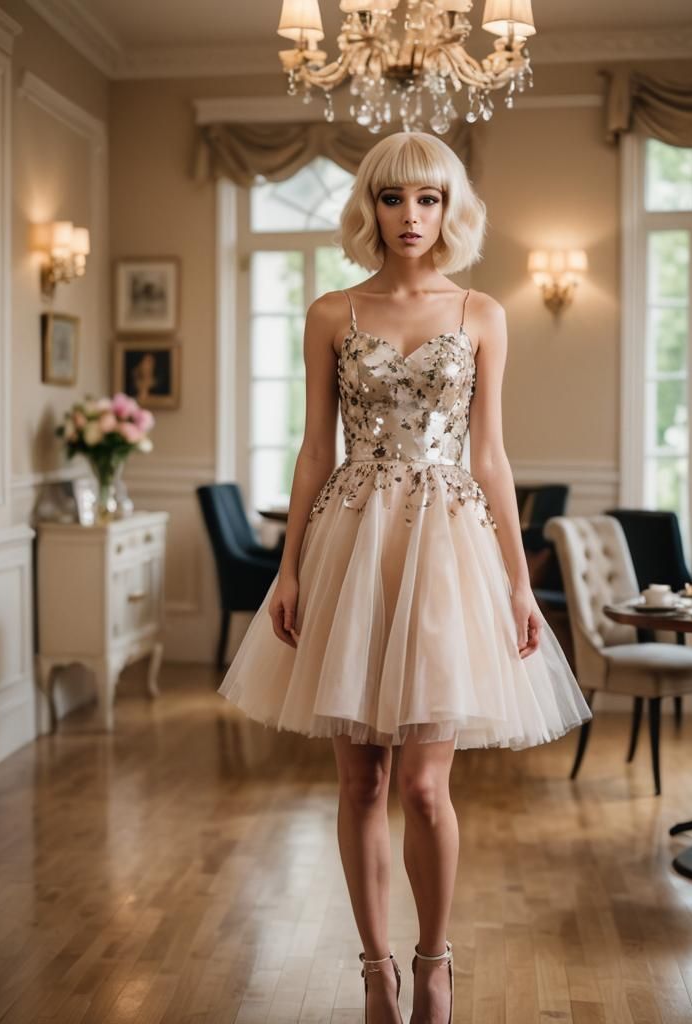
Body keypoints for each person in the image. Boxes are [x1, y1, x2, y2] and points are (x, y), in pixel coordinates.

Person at [217, 131, 591, 1024]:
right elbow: (314, 450)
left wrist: (513, 580)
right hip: (350, 535)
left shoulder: (482, 313)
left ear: (450, 208)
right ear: (371, 208)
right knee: (361, 784)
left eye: (428, 199)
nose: (411, 216)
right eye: (393, 198)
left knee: (426, 786)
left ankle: (433, 961)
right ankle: (374, 969)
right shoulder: (331, 312)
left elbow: (493, 458)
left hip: (448, 543)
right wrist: (290, 570)